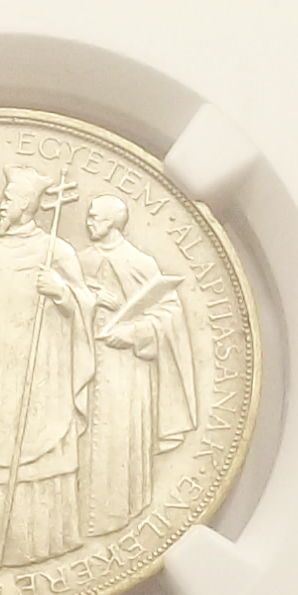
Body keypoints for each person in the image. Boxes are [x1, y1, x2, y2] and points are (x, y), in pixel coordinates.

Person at [0, 166, 95, 567]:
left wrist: (61, 292)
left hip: (41, 376)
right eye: (2, 198)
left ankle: (43, 544)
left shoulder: (56, 252)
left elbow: (86, 304)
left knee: (40, 450)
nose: (0, 205)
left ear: (26, 205)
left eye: (8, 200)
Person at [77, 195, 197, 537]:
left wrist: (133, 333)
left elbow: (168, 315)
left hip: (127, 372)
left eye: (96, 217)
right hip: (84, 369)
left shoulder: (140, 263)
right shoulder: (80, 261)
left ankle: (119, 516)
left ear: (114, 223)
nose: (89, 222)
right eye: (89, 216)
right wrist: (88, 300)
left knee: (118, 442)